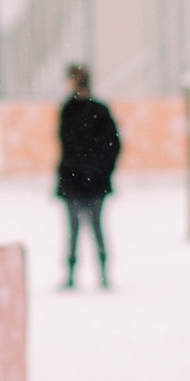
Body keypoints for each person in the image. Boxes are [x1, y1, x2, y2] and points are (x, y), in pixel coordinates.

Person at [55, 64, 122, 290]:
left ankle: (78, 275)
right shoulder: (95, 110)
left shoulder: (70, 110)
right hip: (89, 181)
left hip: (79, 181)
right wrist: (102, 170)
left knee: (77, 229)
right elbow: (113, 145)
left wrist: (94, 169)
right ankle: (99, 275)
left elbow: (67, 144)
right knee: (94, 228)